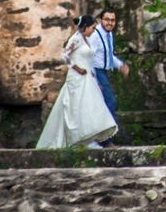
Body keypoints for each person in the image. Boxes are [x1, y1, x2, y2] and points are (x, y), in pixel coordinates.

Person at [36, 15, 118, 149]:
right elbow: (64, 56)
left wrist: (92, 74)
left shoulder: (87, 40)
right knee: (76, 107)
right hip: (77, 77)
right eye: (92, 28)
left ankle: (88, 138)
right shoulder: (75, 39)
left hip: (88, 78)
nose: (93, 30)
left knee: (90, 107)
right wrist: (77, 68)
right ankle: (76, 139)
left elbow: (88, 59)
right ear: (85, 27)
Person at [88, 8, 129, 147]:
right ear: (101, 20)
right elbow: (89, 58)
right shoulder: (95, 35)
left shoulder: (109, 34)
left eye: (112, 20)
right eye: (107, 20)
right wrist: (94, 80)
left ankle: (102, 138)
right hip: (97, 72)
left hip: (104, 72)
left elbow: (108, 55)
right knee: (110, 102)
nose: (110, 23)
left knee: (104, 104)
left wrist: (120, 65)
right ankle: (105, 140)